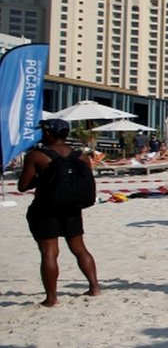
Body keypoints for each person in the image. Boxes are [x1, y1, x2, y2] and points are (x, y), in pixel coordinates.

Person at [17, 118, 100, 307]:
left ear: (48, 133)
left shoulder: (37, 155)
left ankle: (52, 298)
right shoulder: (80, 156)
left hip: (46, 208)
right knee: (79, 248)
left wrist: (43, 179)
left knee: (49, 252)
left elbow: (22, 186)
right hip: (72, 208)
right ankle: (94, 287)